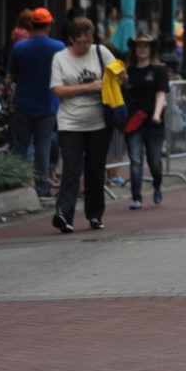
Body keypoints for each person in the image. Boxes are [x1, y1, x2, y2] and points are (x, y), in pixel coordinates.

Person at [50, 17, 123, 233]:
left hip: (99, 122)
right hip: (70, 122)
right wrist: (88, 86)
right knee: (71, 169)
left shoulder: (101, 52)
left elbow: (120, 78)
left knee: (95, 170)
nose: (86, 46)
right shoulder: (60, 58)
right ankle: (64, 214)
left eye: (89, 41)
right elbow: (57, 89)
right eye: (81, 42)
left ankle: (94, 215)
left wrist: (121, 76)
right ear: (71, 39)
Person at [7, 7, 65, 198]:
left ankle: (16, 185)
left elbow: (12, 75)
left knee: (20, 147)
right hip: (47, 105)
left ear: (31, 25)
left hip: (23, 104)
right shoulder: (58, 47)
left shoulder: (20, 48)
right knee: (43, 147)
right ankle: (41, 188)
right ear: (49, 25)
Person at [123, 32, 169, 210]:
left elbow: (161, 94)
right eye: (139, 46)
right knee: (135, 160)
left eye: (146, 46)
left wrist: (157, 114)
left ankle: (157, 185)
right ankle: (136, 197)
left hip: (154, 124)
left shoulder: (159, 70)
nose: (142, 49)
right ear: (134, 49)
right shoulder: (127, 71)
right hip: (133, 122)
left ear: (151, 49)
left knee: (155, 162)